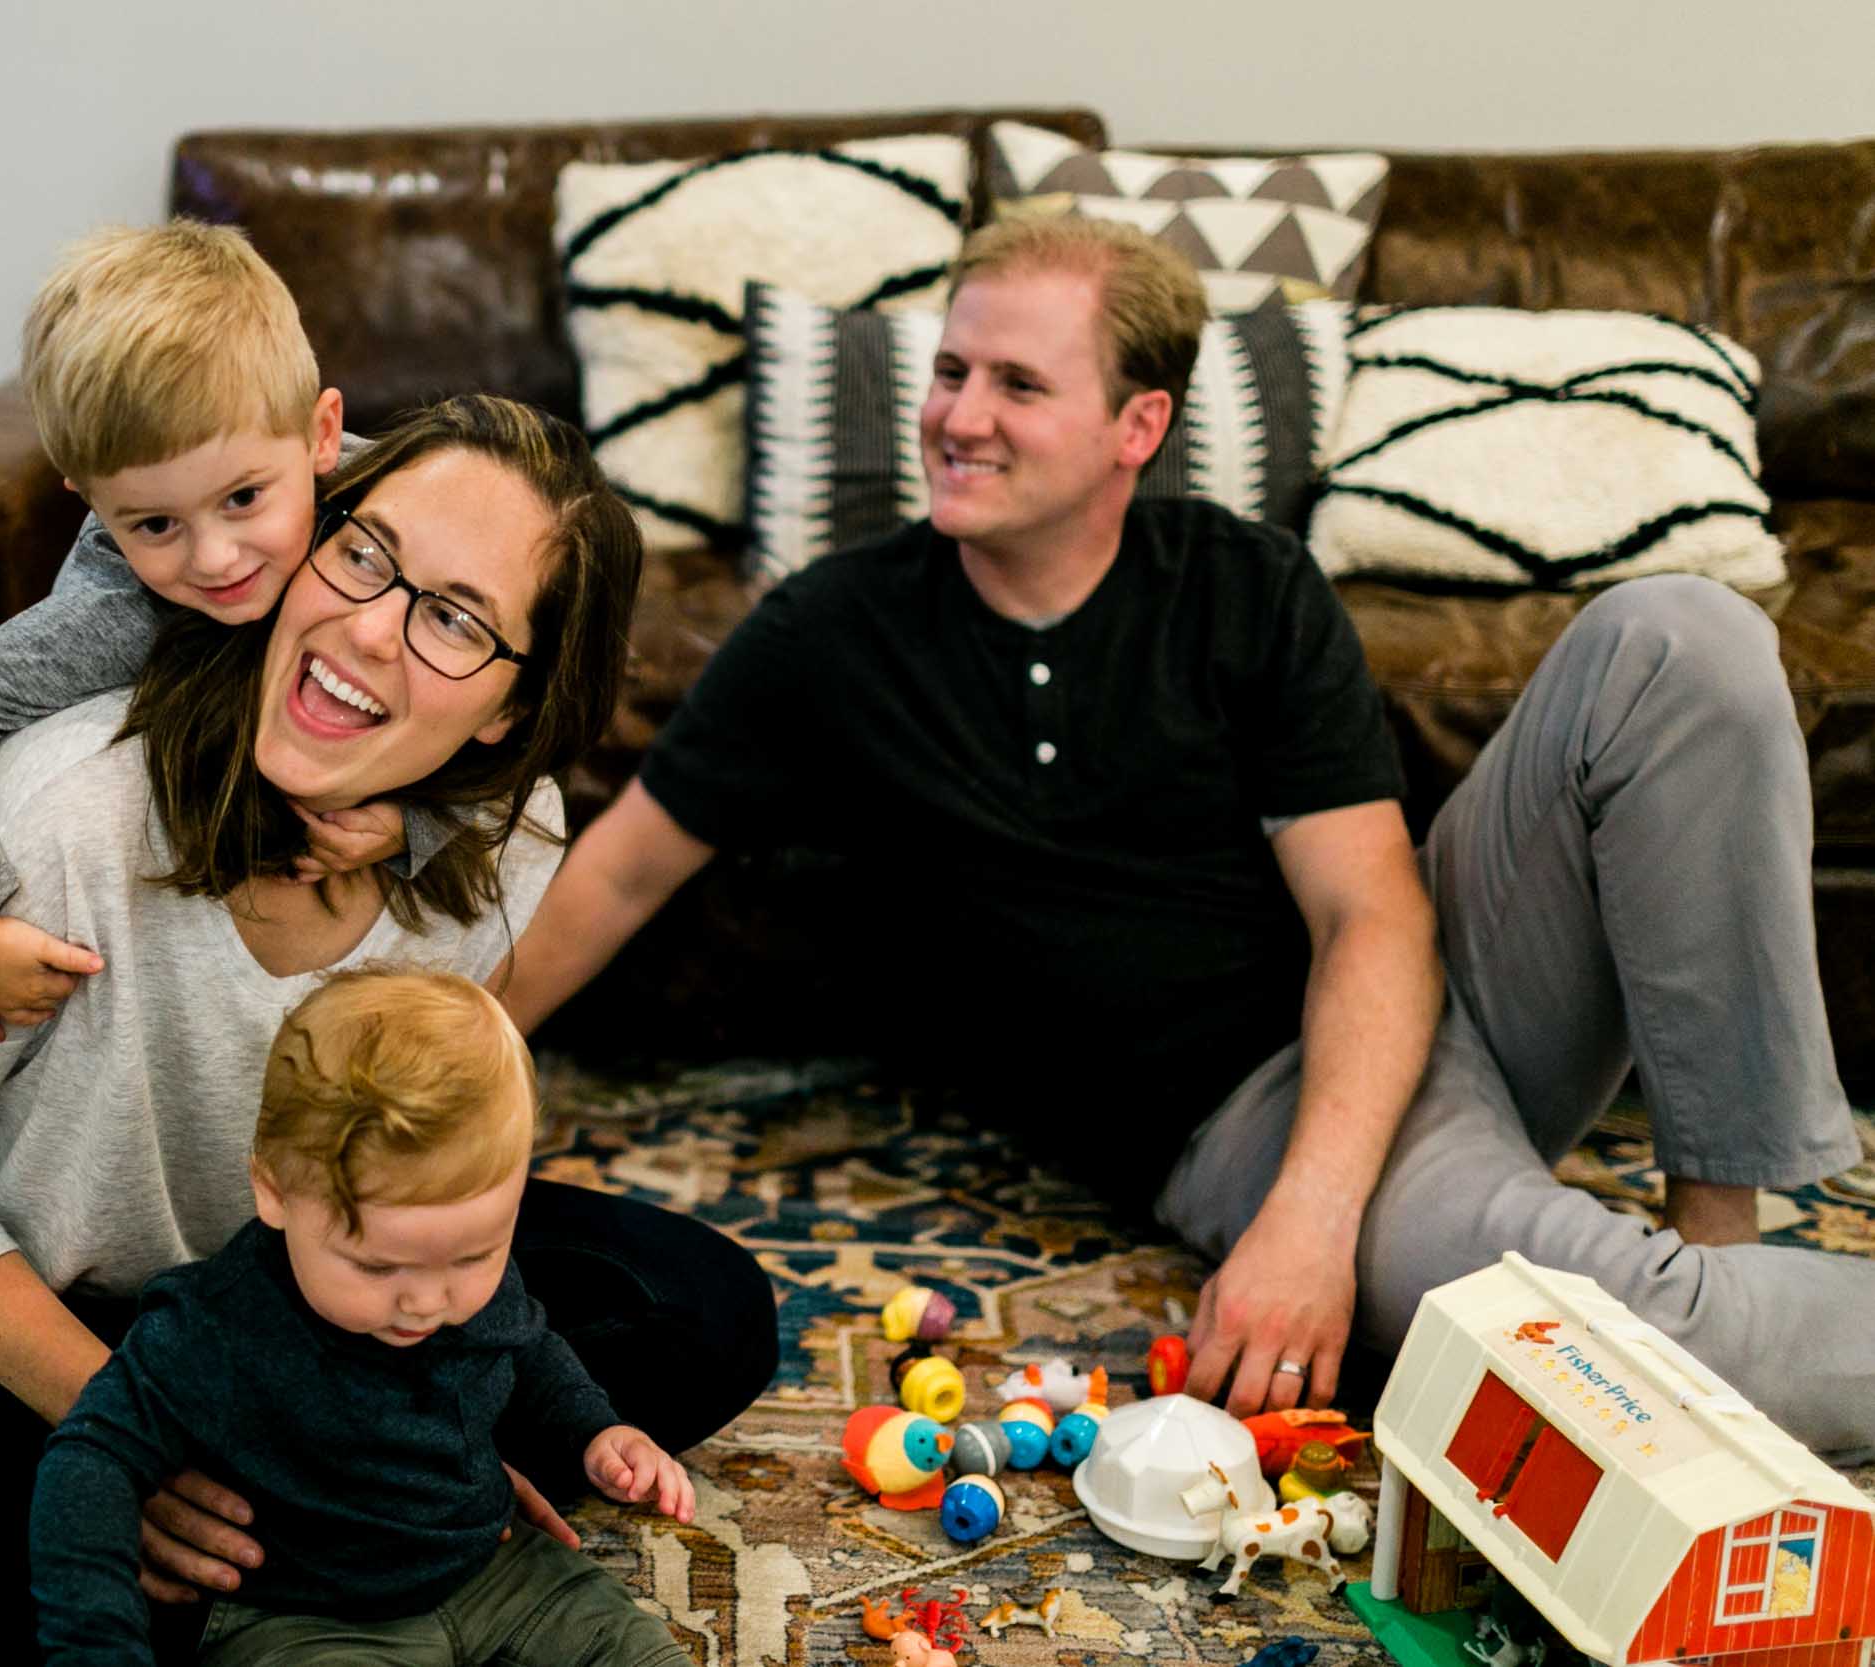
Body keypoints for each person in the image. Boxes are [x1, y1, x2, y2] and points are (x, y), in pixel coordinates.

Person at [498, 213, 1874, 1456]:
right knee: (1592, 1334)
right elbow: (615, 870)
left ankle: (1719, 1234)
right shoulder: (831, 632)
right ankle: (1694, 1297)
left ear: (1136, 427)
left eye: (1018, 385)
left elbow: (1373, 918)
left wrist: (1313, 1220)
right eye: (952, 370)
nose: (957, 416)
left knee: (1679, 636)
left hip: (1402, 1006)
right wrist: (394, 1089)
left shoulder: (1245, 586)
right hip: (1243, 1109)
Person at [0, 396, 780, 1666]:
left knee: (698, 1310)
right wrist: (136, 1439)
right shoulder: (57, 804)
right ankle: (237, 1523)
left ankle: (297, 1515)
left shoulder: (506, 839)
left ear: (508, 706)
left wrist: (447, 1424)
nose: (368, 629)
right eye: (365, 552)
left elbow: (399, 1156)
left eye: (451, 616)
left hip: (252, 1290)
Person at [0, 220, 450, 1042]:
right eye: (153, 524)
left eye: (245, 498)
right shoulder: (113, 616)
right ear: (90, 500)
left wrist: (418, 823)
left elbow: (511, 662)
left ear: (321, 437)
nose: (214, 559)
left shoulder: (388, 509)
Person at [31, 967, 693, 1666]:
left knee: (640, 1648)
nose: (428, 1300)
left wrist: (597, 1428)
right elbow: (91, 1456)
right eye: (378, 1267)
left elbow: (526, 1344)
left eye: (474, 1256)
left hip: (500, 1572)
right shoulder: (214, 1326)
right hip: (310, 1618)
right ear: (275, 1190)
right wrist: (96, 1644)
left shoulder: (460, 1277)